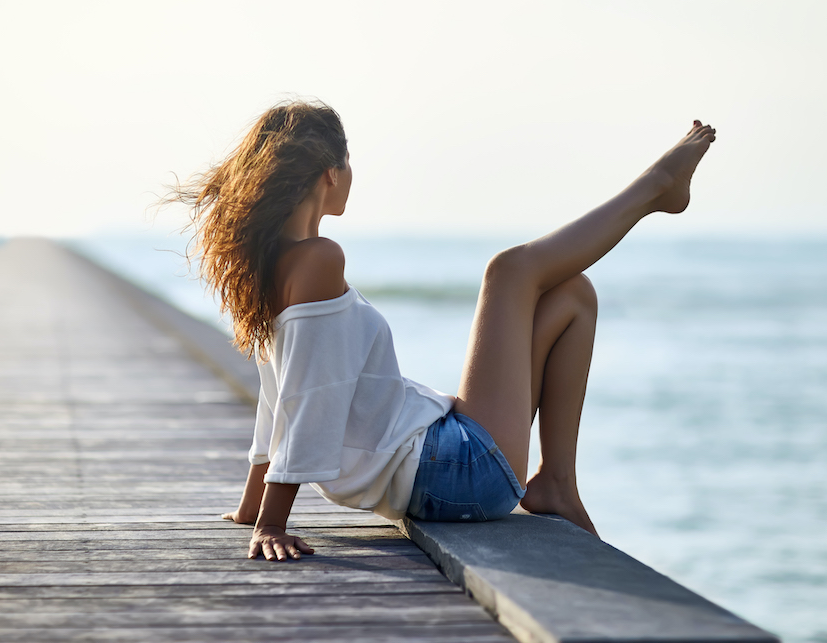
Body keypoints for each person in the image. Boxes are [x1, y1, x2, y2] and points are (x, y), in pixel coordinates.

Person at [174, 101, 716, 562]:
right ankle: (654, 189)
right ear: (329, 174)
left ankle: (556, 483)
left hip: (439, 461)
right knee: (509, 270)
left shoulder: (279, 266)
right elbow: (308, 395)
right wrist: (270, 521)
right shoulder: (319, 260)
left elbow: (279, 396)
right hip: (450, 474)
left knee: (572, 295)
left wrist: (253, 506)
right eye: (349, 161)